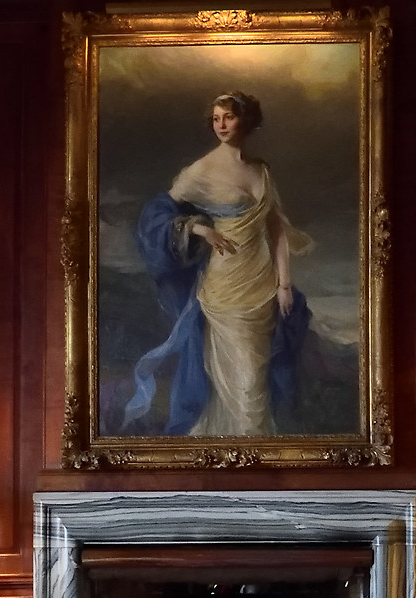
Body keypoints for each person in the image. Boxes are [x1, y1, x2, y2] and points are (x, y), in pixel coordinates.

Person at [123, 91, 315, 436]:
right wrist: (199, 229)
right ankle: (240, 451)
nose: (221, 125)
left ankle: (253, 453)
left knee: (256, 378)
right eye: (215, 118)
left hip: (262, 283)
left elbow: (276, 231)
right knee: (242, 384)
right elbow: (156, 215)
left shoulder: (261, 170)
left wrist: (284, 285)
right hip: (224, 288)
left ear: (246, 119)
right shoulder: (202, 170)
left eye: (228, 116)